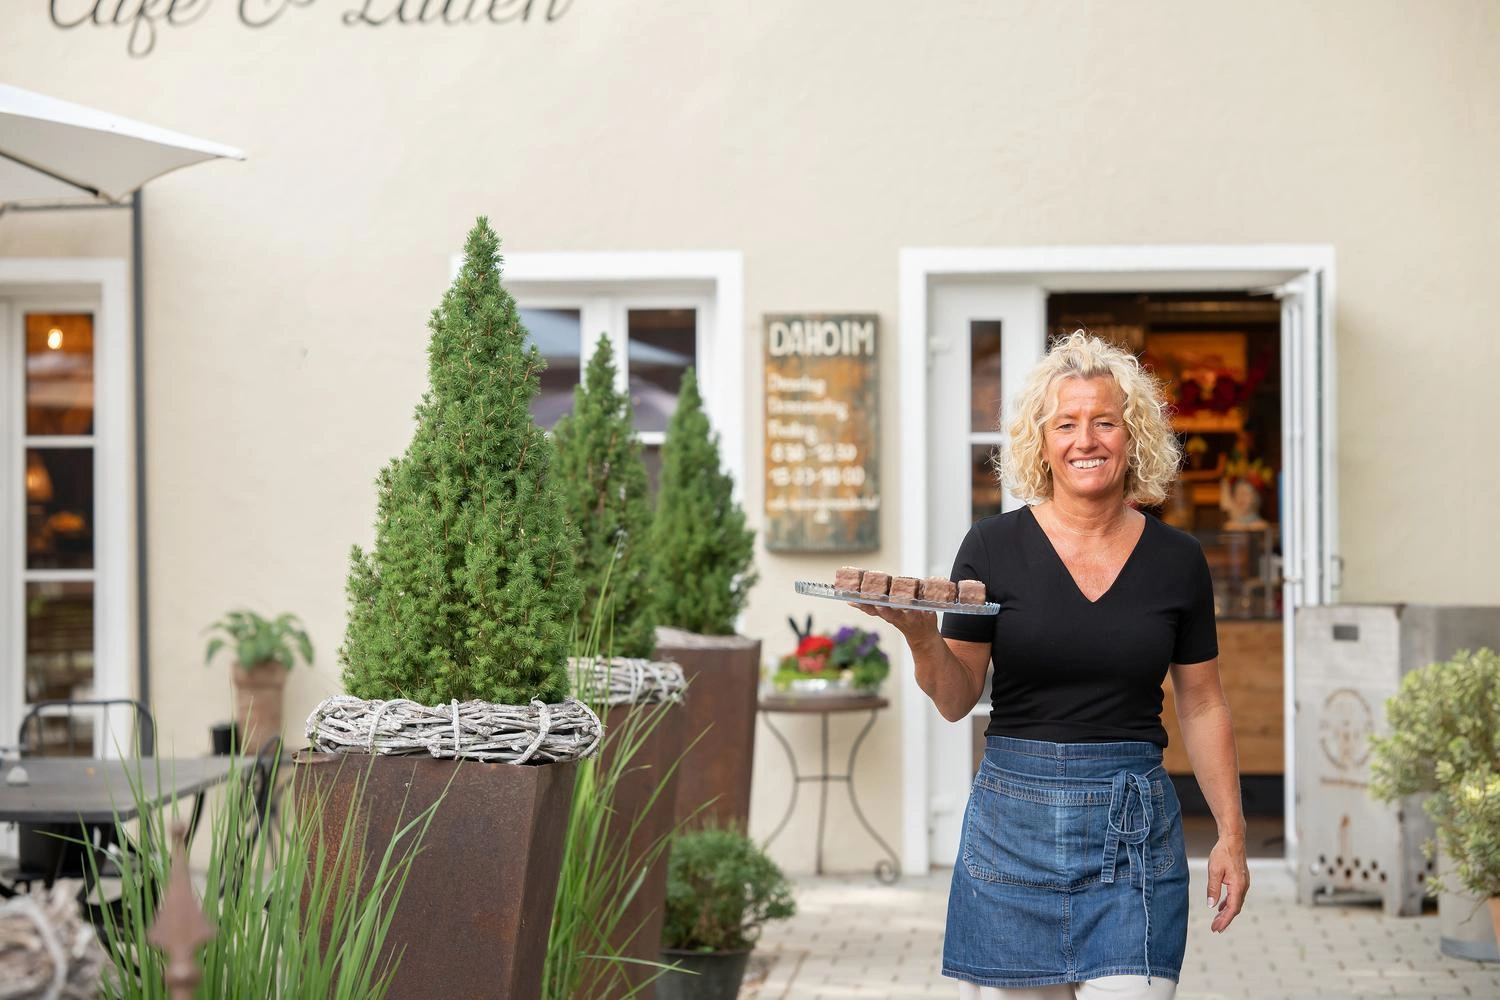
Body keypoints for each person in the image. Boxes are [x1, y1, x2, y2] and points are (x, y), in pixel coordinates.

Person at [856, 331, 1248, 1000]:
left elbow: (1203, 702)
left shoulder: (1177, 561)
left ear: (1135, 437)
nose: (1085, 440)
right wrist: (922, 638)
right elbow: (956, 700)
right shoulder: (991, 547)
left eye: (1104, 421)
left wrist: (1232, 836)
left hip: (1131, 836)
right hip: (1012, 830)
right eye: (1065, 423)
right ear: (1041, 442)